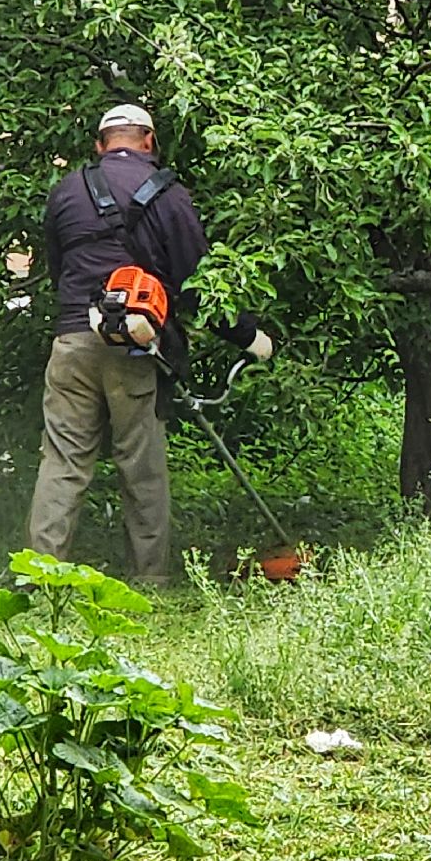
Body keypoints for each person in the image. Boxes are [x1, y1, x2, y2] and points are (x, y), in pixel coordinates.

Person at [28, 104, 273, 582]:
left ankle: (40, 576)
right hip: (136, 345)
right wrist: (249, 337)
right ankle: (150, 579)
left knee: (62, 462)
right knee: (140, 466)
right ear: (149, 142)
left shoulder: (66, 191)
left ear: (100, 145)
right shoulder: (168, 193)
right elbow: (197, 284)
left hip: (73, 338)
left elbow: (58, 271)